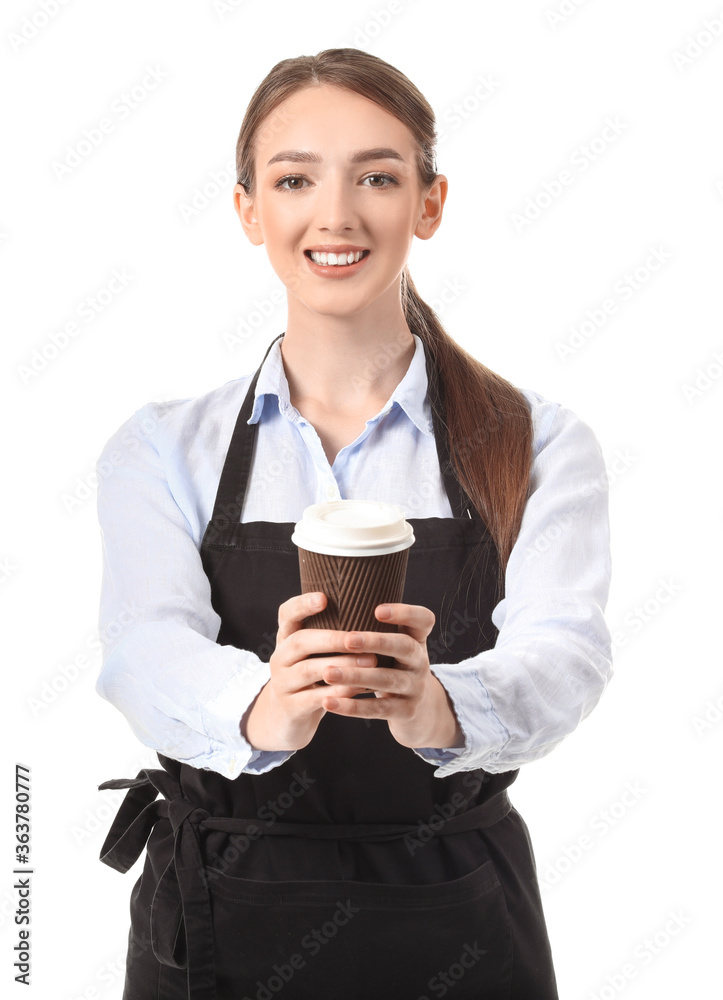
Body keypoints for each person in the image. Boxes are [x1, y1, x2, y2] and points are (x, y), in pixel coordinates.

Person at [95, 47, 612, 1000]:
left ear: (429, 202)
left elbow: (567, 652)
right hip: (220, 909)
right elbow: (141, 648)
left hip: (456, 903)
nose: (335, 214)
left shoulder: (536, 441)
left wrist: (439, 705)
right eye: (295, 179)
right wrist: (263, 706)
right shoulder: (163, 449)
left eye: (377, 175)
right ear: (250, 208)